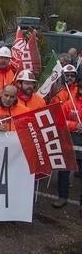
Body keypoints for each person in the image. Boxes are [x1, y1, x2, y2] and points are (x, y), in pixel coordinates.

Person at [54, 78, 82, 212]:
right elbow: (59, 120)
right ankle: (62, 196)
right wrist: (74, 125)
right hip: (69, 140)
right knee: (64, 170)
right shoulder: (69, 104)